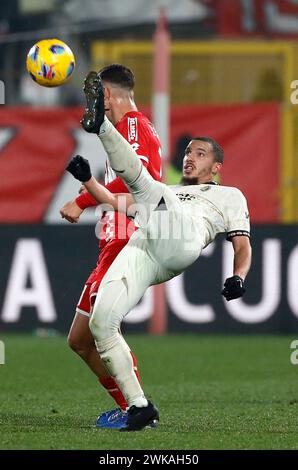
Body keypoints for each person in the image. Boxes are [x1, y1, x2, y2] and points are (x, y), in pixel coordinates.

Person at [65, 78, 252, 431]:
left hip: (183, 238)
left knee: (150, 187)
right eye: (188, 152)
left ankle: (100, 126)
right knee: (101, 322)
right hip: (149, 241)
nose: (190, 157)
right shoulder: (173, 190)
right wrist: (89, 182)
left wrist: (238, 275)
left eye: (201, 153)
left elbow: (242, 245)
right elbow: (122, 204)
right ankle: (139, 408)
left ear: (216, 168)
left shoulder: (229, 195)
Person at [60, 65, 162, 429]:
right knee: (80, 340)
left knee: (102, 329)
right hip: (112, 242)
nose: (91, 102)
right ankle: (133, 407)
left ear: (106, 95)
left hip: (126, 241)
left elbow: (136, 185)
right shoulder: (121, 131)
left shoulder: (134, 126)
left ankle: (138, 408)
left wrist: (83, 200)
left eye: (94, 95)